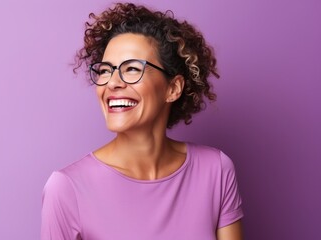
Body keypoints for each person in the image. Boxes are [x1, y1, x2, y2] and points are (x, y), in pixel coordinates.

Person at [41, 2, 243, 240]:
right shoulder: (67, 188)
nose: (113, 83)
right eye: (105, 70)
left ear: (173, 88)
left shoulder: (216, 170)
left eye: (133, 69)